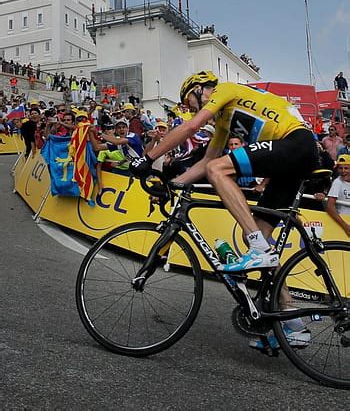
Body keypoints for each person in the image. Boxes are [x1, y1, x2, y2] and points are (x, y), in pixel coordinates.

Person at [130, 70, 319, 274]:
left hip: (296, 142)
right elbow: (206, 161)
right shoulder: (223, 121)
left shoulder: (224, 89)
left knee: (218, 170)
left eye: (189, 101)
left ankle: (259, 249)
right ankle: (284, 301)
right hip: (289, 164)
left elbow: (192, 127)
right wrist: (171, 184)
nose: (190, 108)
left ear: (198, 89)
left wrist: (147, 159)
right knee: (255, 235)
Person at [325, 155, 350, 236]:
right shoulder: (337, 183)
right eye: (340, 168)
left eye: (346, 168)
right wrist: (345, 226)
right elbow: (330, 206)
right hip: (344, 222)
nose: (343, 171)